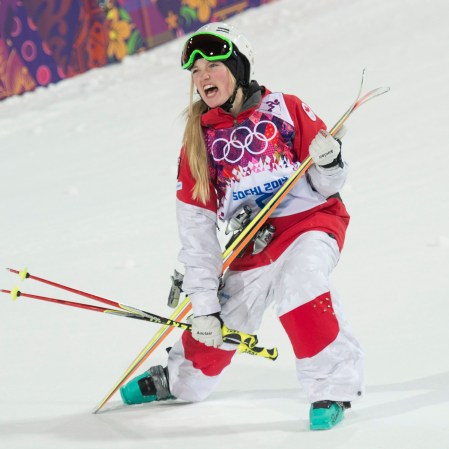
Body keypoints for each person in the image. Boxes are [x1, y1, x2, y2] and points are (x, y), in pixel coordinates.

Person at [120, 22, 364, 431]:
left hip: (309, 223)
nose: (203, 78)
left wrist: (329, 161)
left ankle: (333, 387)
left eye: (212, 66)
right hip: (253, 243)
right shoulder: (198, 140)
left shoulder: (285, 107)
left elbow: (327, 187)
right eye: (195, 73)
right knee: (222, 323)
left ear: (238, 67)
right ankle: (179, 381)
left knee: (301, 284)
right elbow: (196, 229)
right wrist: (203, 306)